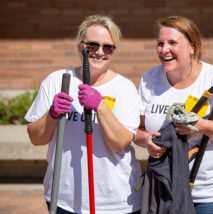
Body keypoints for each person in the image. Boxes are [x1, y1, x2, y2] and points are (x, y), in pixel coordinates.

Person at [25, 15, 142, 214]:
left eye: (108, 47)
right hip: (63, 198)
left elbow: (119, 142)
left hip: (114, 201)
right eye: (93, 45)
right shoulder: (57, 81)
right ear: (81, 46)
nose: (100, 52)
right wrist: (52, 114)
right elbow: (36, 138)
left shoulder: (124, 88)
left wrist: (101, 106)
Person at [134, 16, 213, 214]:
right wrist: (147, 140)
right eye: (160, 43)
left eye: (172, 43)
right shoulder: (149, 79)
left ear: (192, 47)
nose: (164, 49)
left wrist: (202, 125)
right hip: (165, 190)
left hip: (211, 194)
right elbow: (138, 129)